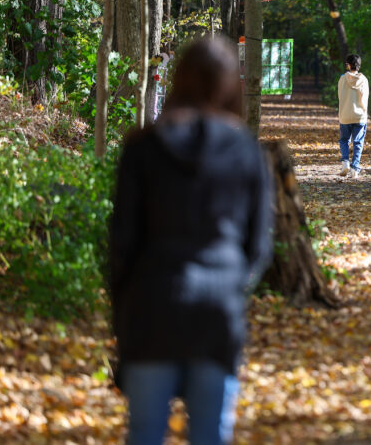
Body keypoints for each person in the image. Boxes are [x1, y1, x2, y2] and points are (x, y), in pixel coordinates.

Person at [109, 37, 273, 445]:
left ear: (179, 78)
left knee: (144, 432)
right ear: (229, 84)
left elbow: (121, 243)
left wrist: (122, 312)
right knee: (210, 435)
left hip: (151, 306)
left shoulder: (142, 147)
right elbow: (257, 245)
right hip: (217, 311)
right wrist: (234, 286)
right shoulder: (245, 151)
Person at [337, 54, 369, 178]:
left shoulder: (342, 79)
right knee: (358, 142)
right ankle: (355, 168)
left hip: (345, 114)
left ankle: (345, 162)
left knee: (344, 140)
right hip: (360, 116)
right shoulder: (364, 80)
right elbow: (365, 98)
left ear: (348, 65)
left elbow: (340, 95)